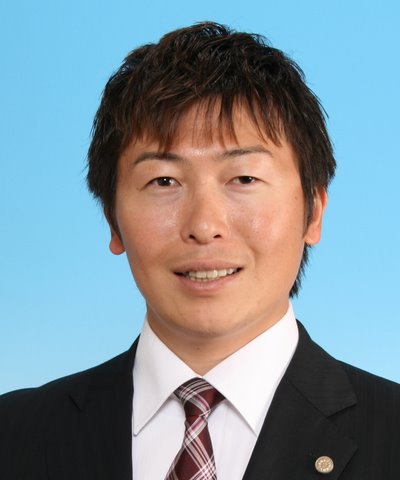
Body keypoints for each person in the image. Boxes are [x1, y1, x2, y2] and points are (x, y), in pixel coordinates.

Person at [0, 21, 399, 480]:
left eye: (244, 178)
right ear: (112, 219)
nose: (204, 226)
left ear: (313, 212)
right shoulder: (14, 435)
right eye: (163, 181)